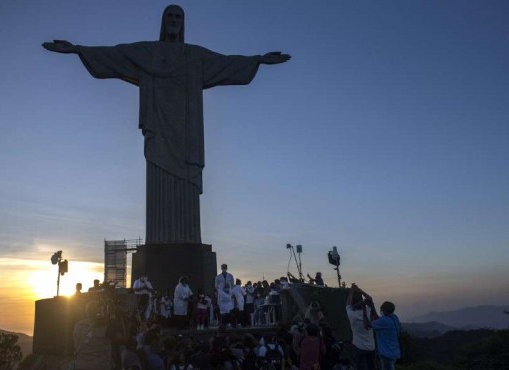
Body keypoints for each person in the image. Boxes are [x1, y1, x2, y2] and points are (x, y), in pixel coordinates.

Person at [42, 5, 290, 245]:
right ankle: (159, 240)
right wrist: (78, 50)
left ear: (183, 24)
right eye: (169, 16)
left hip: (187, 135)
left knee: (186, 183)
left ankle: (187, 240)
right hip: (158, 129)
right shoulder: (147, 53)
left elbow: (225, 63)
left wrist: (258, 60)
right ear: (163, 22)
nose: (173, 20)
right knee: (158, 176)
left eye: (178, 17)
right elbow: (116, 54)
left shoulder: (194, 56)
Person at [346, 284, 377, 370]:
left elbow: (348, 304)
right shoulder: (368, 311)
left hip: (358, 347)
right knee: (372, 367)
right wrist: (360, 290)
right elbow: (370, 299)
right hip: (371, 347)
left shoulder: (351, 315)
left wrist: (351, 292)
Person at [72, 301, 111, 370]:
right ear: (97, 312)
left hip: (80, 365)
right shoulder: (104, 327)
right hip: (98, 366)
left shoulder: (78, 325)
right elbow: (123, 339)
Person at [371, 301, 401, 370]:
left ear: (384, 310)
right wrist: (372, 308)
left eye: (381, 308)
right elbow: (379, 320)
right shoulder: (394, 317)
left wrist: (365, 310)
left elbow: (369, 324)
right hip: (394, 351)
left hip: (386, 353)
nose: (380, 310)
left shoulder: (384, 321)